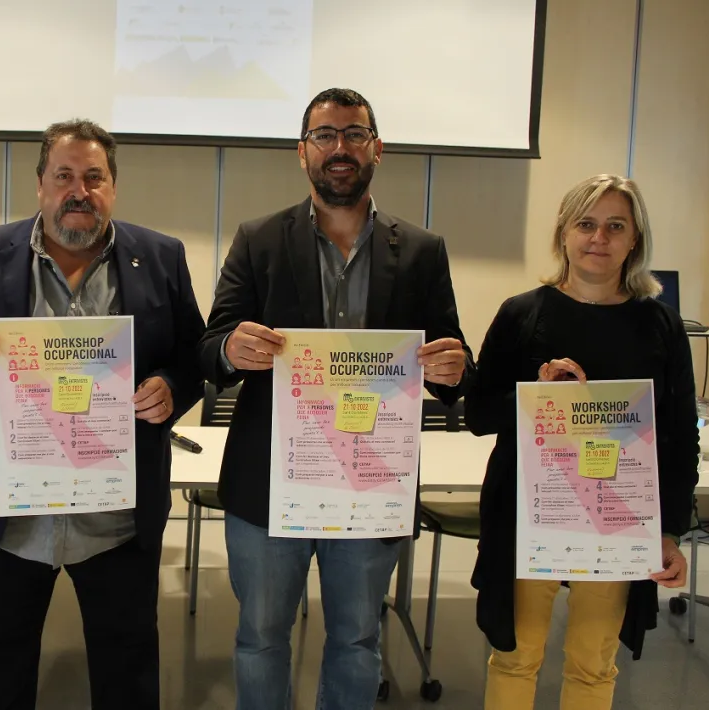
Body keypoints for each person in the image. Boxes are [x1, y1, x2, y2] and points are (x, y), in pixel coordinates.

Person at [0, 119, 205, 710]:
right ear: (41, 184)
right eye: (64, 175)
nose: (79, 190)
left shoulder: (161, 257)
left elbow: (194, 355)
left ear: (112, 187)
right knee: (1, 670)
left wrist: (172, 388)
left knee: (127, 673)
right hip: (12, 520)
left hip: (115, 518)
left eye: (94, 177)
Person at [196, 88, 474, 710]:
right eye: (325, 135)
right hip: (270, 482)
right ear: (303, 152)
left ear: (377, 147)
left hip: (372, 484)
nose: (340, 147)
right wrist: (229, 351)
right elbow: (210, 346)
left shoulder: (423, 251)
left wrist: (455, 368)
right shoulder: (259, 239)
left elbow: (450, 365)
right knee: (261, 636)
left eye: (354, 134)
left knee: (356, 638)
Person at [465, 174, 697, 709]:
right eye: (586, 224)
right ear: (564, 234)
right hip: (530, 517)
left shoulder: (660, 324)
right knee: (516, 657)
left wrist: (668, 530)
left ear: (635, 238)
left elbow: (679, 436)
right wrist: (538, 399)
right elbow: (479, 414)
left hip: (617, 519)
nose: (600, 237)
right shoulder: (522, 314)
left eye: (616, 226)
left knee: (594, 664)